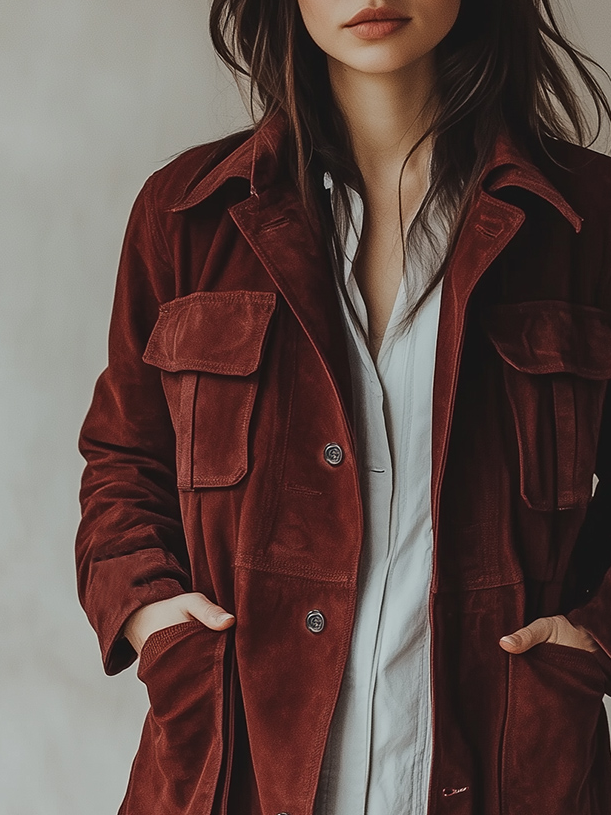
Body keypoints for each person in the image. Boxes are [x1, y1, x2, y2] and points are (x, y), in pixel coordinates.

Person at [75, 1, 611, 814]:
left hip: (510, 780)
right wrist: (152, 615)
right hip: (231, 780)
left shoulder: (585, 222)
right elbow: (123, 462)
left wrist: (593, 639)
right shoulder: (185, 216)